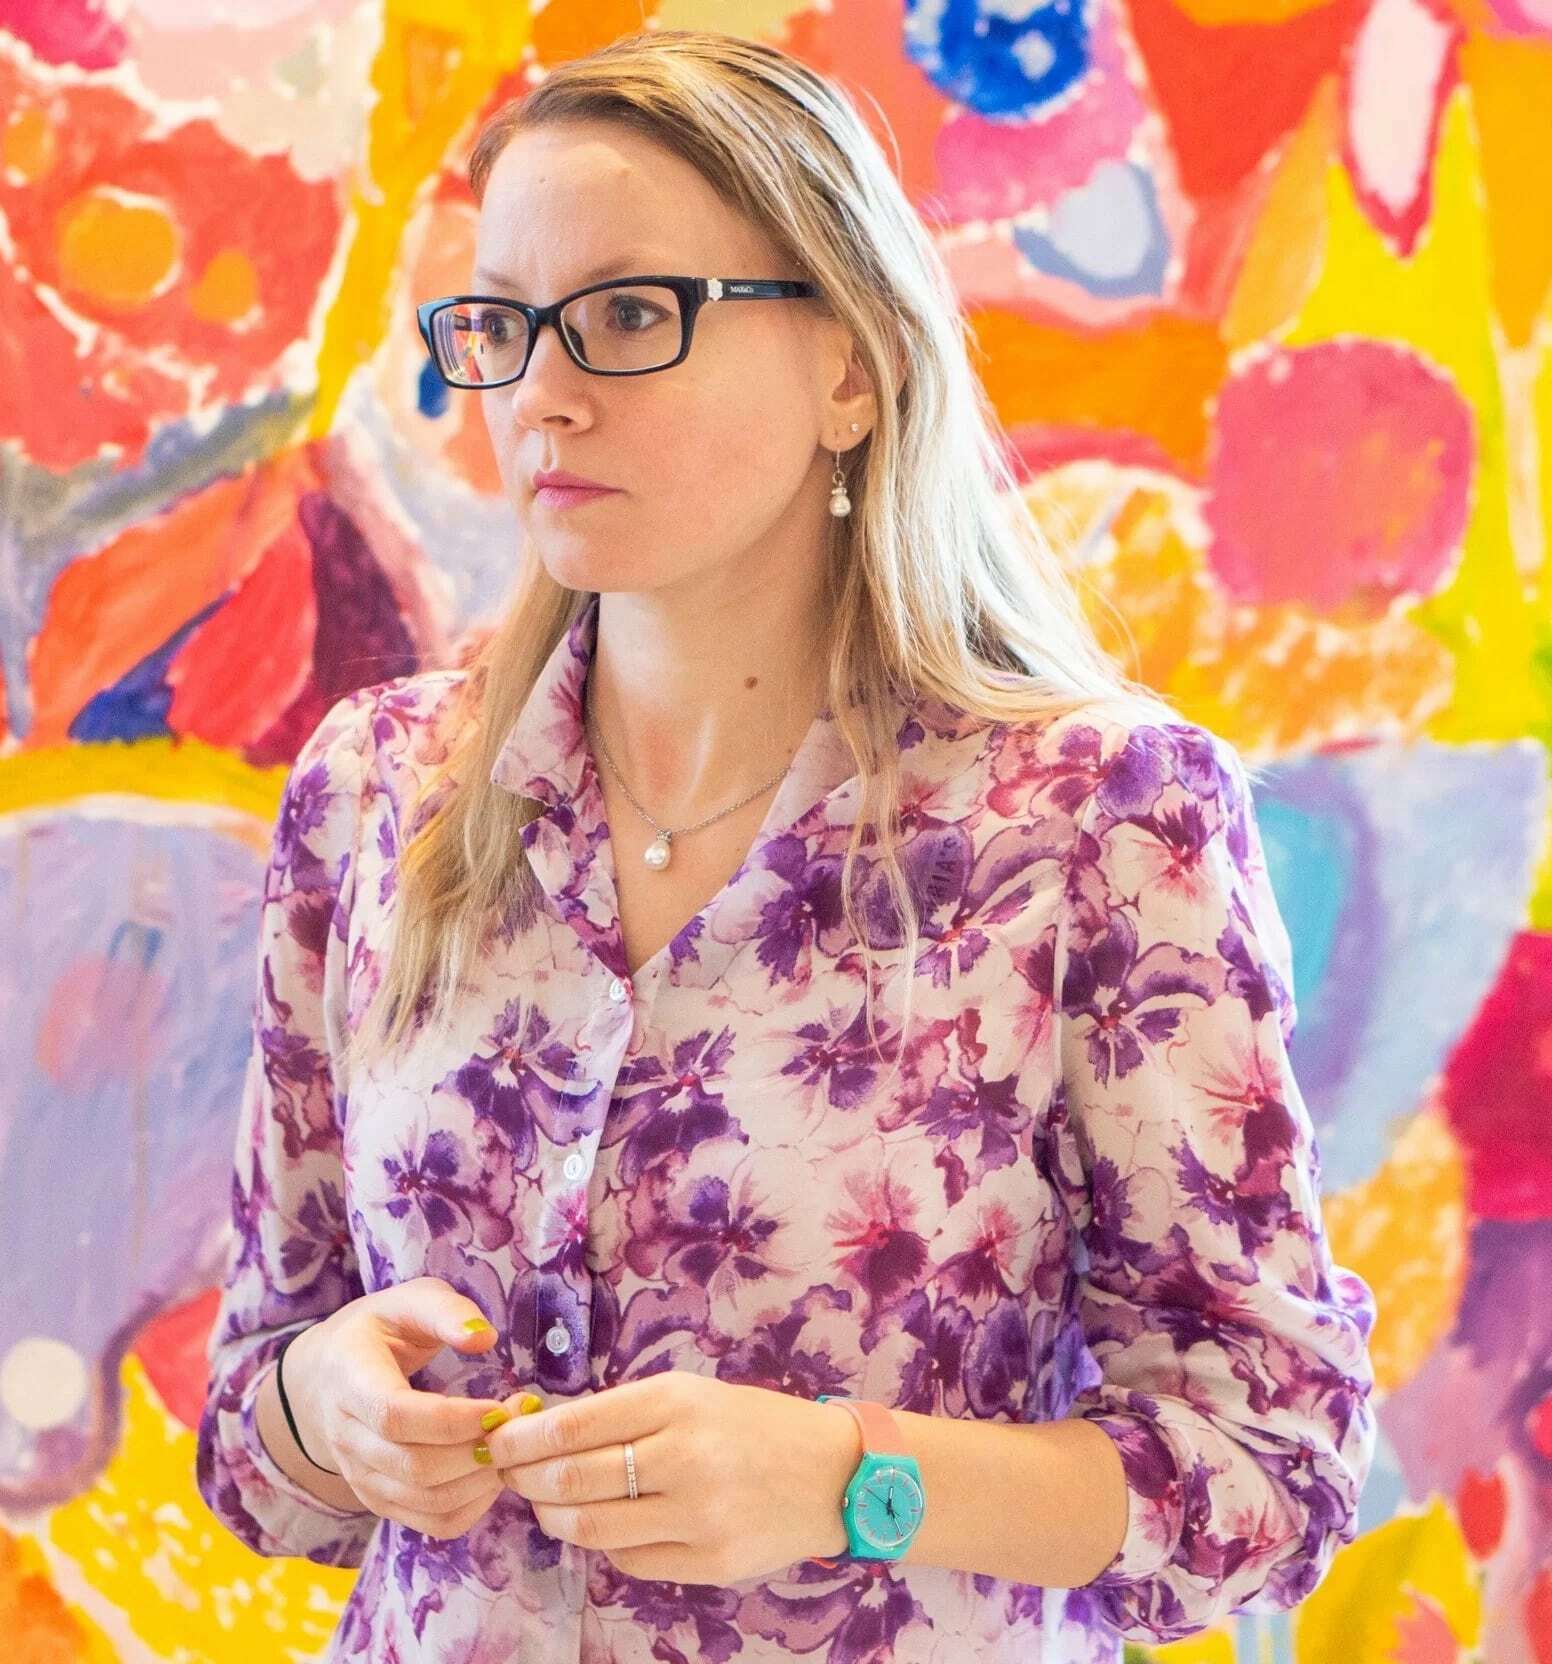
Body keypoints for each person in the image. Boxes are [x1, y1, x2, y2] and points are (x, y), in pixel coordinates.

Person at [195, 26, 1377, 1663]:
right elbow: (256, 1442)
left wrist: (847, 1481)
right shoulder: (375, 792)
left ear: (852, 367)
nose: (538, 396)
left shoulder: (1097, 815)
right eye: (499, 323)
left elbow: (1271, 1464)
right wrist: (324, 1411)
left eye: (627, 315)